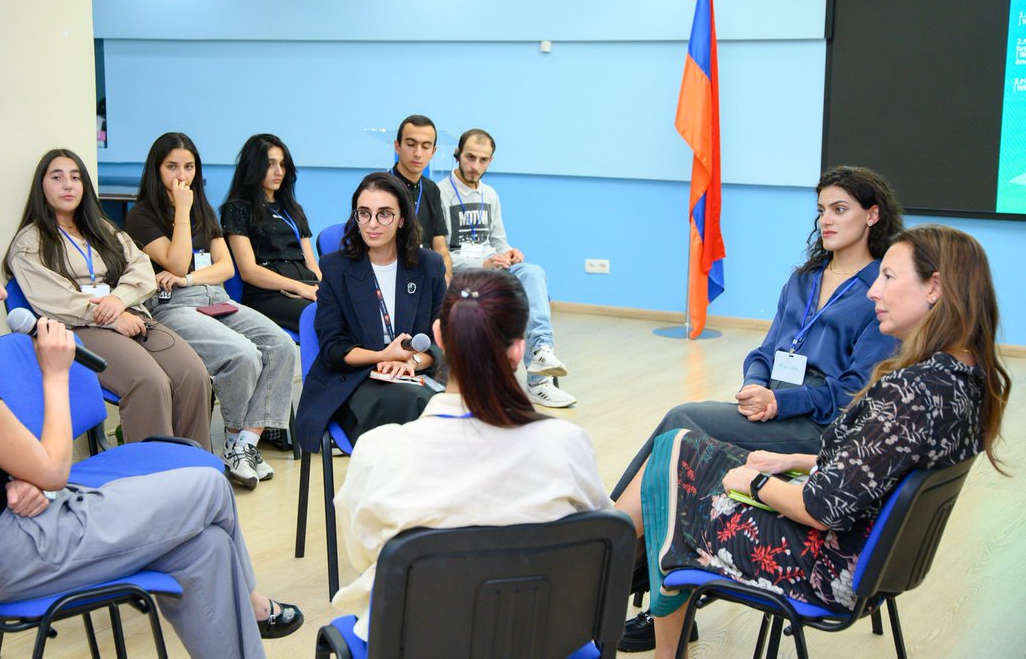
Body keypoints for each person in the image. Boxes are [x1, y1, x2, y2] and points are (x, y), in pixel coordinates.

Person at [0, 222, 303, 659]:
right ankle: (257, 604)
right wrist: (55, 376)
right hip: (23, 550)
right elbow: (54, 469)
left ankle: (249, 622)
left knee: (206, 549)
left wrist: (15, 476)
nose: (2, 293)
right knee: (210, 486)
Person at [614, 224, 1010, 659]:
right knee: (680, 450)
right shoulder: (965, 380)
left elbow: (821, 510)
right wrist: (794, 462)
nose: (874, 291)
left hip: (818, 564)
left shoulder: (912, 392)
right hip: (870, 560)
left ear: (934, 287)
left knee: (674, 463)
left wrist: (755, 484)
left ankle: (599, 570)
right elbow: (878, 470)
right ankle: (605, 559)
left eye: (889, 277)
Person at [615, 165, 903, 651]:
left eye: (840, 210)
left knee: (682, 424)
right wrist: (754, 383)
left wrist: (780, 400)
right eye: (821, 211)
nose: (826, 222)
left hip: (817, 425)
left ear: (872, 216)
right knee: (687, 444)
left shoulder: (881, 290)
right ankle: (653, 575)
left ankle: (614, 555)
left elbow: (853, 392)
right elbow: (767, 351)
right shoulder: (805, 278)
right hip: (775, 404)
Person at [333, 268, 612, 642]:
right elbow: (599, 541)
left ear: (438, 338)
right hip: (539, 640)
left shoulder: (379, 452)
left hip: (421, 642)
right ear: (518, 350)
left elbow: (366, 555)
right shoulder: (566, 445)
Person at [4, 149, 212, 448]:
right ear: (41, 186)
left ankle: (195, 469)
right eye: (57, 177)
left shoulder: (102, 229)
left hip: (130, 314)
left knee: (193, 375)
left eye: (76, 177)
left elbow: (140, 267)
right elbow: (55, 300)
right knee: (149, 382)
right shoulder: (29, 243)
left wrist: (119, 300)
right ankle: (153, 478)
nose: (68, 185)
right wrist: (112, 316)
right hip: (78, 328)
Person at [127, 133, 297, 489]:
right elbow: (173, 257)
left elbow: (225, 268)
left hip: (212, 296)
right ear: (155, 170)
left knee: (280, 345)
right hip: (172, 306)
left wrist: (187, 277)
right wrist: (182, 211)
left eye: (189, 167)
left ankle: (244, 444)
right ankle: (236, 439)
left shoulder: (203, 209)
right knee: (243, 354)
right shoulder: (141, 215)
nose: (181, 176)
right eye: (172, 167)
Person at [295, 172, 447, 450]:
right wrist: (383, 356)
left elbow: (441, 337)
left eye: (384, 214)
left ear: (402, 219)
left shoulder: (429, 266)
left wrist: (410, 363)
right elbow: (333, 348)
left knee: (465, 405)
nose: (372, 224)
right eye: (364, 214)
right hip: (355, 381)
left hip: (416, 375)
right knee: (414, 405)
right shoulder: (335, 269)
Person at [438, 128, 573, 407]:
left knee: (532, 272)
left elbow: (498, 241)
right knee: (516, 290)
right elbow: (440, 255)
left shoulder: (490, 195)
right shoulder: (440, 193)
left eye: (483, 160)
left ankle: (540, 358)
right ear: (457, 155)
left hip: (494, 269)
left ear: (490, 161)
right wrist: (482, 262)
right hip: (464, 275)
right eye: (470, 158)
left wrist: (509, 254)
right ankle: (534, 375)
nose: (475, 167)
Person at [220, 134, 321, 331]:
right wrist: (299, 287)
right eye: (270, 164)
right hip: (268, 293)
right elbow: (249, 271)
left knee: (350, 310)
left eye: (283, 165)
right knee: (323, 317)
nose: (279, 172)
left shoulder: (294, 210)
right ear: (254, 167)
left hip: (306, 286)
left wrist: (324, 288)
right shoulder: (237, 209)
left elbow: (311, 264)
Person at [390, 114, 453, 282]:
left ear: (433, 152)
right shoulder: (379, 187)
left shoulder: (432, 189)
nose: (418, 153)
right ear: (398, 146)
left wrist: (447, 288)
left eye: (426, 147)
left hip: (426, 273)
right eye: (411, 144)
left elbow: (440, 248)